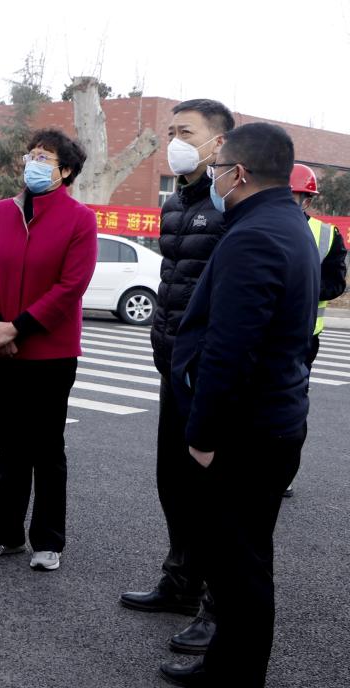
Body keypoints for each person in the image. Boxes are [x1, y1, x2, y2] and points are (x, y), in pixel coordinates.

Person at [158, 123, 318, 687]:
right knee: (245, 558)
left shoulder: (253, 236)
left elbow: (230, 350)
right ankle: (228, 664)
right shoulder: (287, 223)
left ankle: (235, 675)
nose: (215, 175)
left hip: (243, 434)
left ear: (240, 173)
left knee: (236, 567)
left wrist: (203, 437)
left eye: (220, 166)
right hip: (273, 422)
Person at [119, 99, 233, 656]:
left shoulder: (229, 205)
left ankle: (216, 603)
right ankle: (180, 580)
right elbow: (173, 280)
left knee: (212, 491)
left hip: (208, 370)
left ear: (218, 143)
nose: (174, 143)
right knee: (173, 481)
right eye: (171, 132)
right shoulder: (175, 204)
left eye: (186, 132)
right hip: (172, 363)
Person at [0, 128, 97, 572]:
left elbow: (71, 286)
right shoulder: (2, 211)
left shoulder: (79, 219)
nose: (34, 163)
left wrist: (18, 327)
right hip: (1, 348)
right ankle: (5, 533)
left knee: (46, 448)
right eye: (32, 155)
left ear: (66, 171)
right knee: (10, 447)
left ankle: (48, 538)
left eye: (46, 158)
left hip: (50, 352)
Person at [284, 164, 347, 499]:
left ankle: (283, 473)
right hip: (258, 332)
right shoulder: (253, 224)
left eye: (295, 196)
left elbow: (336, 283)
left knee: (290, 407)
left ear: (307, 200)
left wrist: (302, 287)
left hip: (303, 339)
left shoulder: (326, 235)